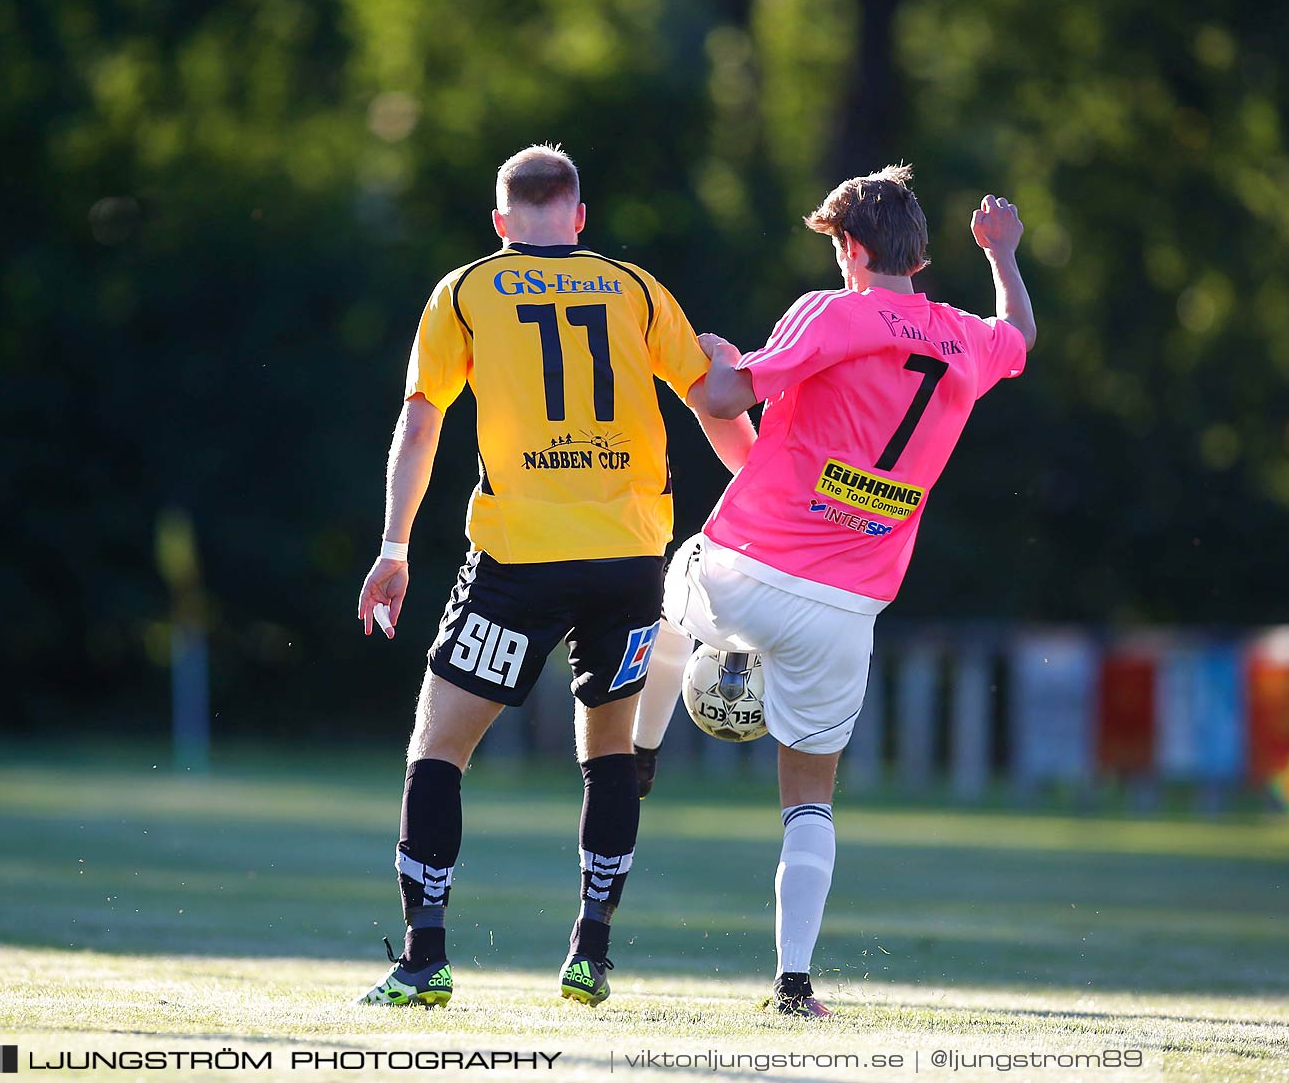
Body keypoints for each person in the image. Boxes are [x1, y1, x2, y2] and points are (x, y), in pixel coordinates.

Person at [353, 145, 753, 1008]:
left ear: (500, 224)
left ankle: (425, 962)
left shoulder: (463, 290)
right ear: (579, 218)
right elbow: (714, 403)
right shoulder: (635, 287)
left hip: (518, 561)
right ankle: (591, 953)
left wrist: (395, 548)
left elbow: (421, 421)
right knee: (609, 752)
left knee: (439, 748)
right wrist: (765, 515)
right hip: (627, 558)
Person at [644, 166, 1034, 1014]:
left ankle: (638, 756)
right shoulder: (964, 337)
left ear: (851, 248)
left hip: (747, 568)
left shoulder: (835, 310)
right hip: (847, 606)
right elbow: (1022, 334)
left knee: (672, 587)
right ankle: (793, 985)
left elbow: (721, 398)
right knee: (809, 801)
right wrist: (1003, 253)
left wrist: (699, 362)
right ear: (921, 259)